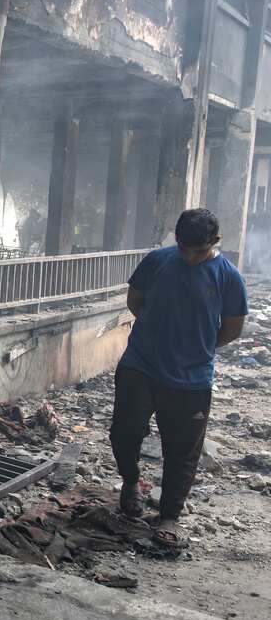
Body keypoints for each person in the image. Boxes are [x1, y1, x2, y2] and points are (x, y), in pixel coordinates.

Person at [111, 208, 247, 547]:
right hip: (140, 364)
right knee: (124, 431)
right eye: (183, 246)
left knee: (182, 450)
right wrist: (159, 333)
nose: (188, 255)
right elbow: (135, 301)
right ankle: (130, 481)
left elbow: (232, 328)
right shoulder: (157, 261)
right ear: (176, 237)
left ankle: (169, 514)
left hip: (192, 378)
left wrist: (195, 346)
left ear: (215, 242)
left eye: (197, 250)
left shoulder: (228, 276)